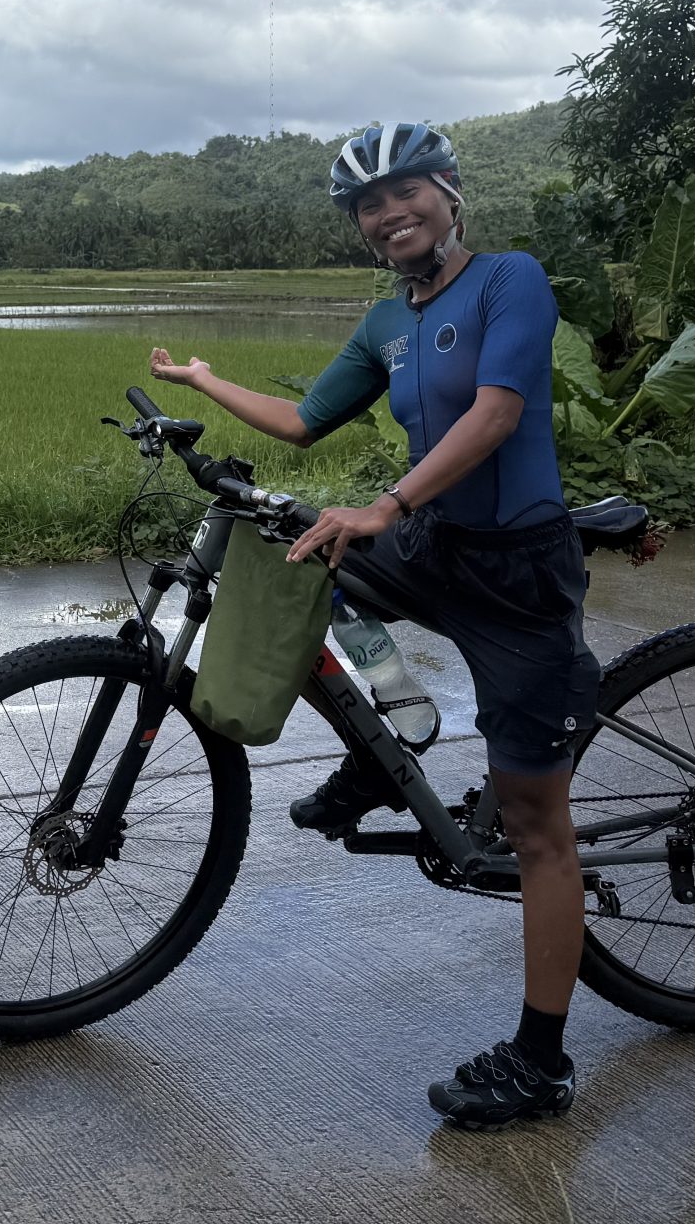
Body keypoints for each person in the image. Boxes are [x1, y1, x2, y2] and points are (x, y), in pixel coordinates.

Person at [147, 119, 595, 1129]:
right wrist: (204, 381)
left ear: (448, 192)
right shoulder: (388, 320)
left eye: (404, 192)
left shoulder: (510, 281)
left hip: (517, 571)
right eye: (367, 205)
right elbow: (304, 419)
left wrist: (386, 505)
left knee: (535, 828)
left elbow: (496, 415)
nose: (388, 214)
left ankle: (541, 1064)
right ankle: (389, 745)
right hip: (435, 544)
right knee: (305, 558)